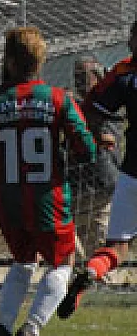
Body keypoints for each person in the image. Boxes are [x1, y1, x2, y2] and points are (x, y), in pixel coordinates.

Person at [0, 27, 96, 336]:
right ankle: (32, 327)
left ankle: (3, 327)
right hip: (46, 198)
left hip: (4, 198)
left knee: (23, 259)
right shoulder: (58, 98)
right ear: (41, 61)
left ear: (9, 61)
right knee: (62, 262)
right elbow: (87, 150)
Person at [58, 21, 137, 319]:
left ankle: (91, 270)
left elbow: (91, 108)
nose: (128, 42)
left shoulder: (124, 73)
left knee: (117, 246)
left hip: (132, 172)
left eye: (132, 36)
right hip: (116, 175)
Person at [66, 56, 119, 264]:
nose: (79, 82)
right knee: (73, 248)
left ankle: (98, 282)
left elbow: (105, 137)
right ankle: (82, 279)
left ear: (98, 78)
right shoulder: (73, 104)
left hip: (100, 185)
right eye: (76, 76)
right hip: (75, 187)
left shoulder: (105, 102)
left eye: (84, 76)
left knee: (97, 243)